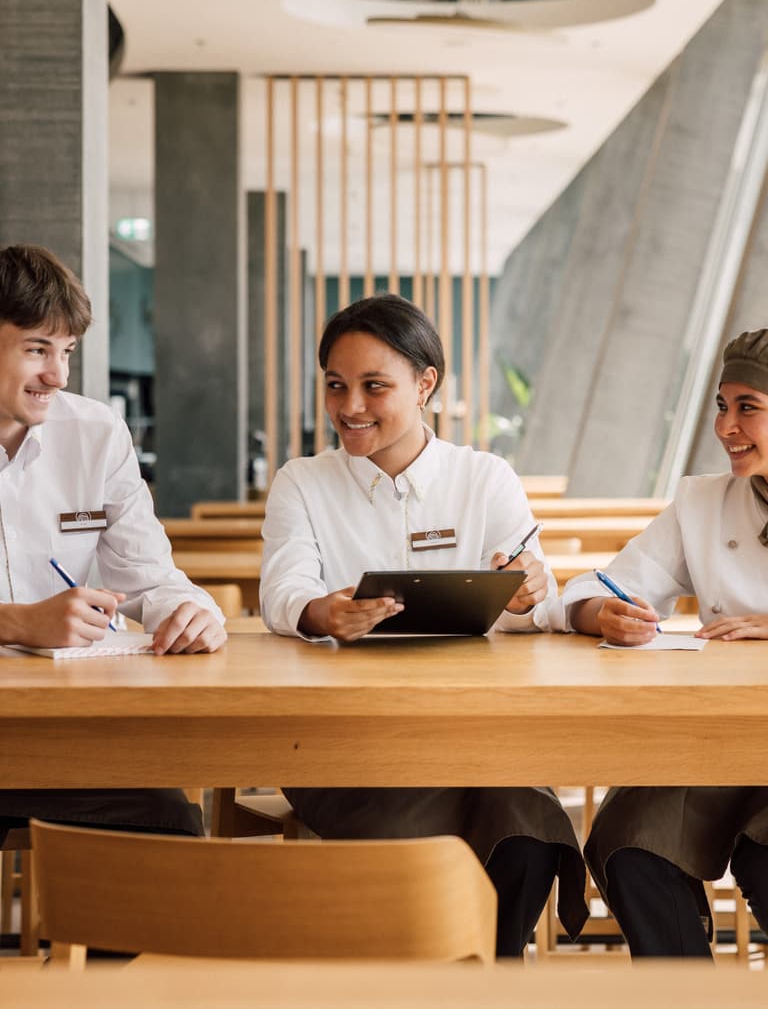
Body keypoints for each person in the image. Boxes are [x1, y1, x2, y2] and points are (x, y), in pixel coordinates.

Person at [260, 293, 588, 956]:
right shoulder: (303, 482)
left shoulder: (485, 478)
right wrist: (327, 612)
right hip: (345, 741)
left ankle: (486, 971)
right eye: (335, 386)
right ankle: (425, 973)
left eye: (373, 386)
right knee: (461, 818)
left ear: (425, 384)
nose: (349, 406)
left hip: (474, 729)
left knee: (526, 828)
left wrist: (525, 593)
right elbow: (283, 588)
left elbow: (533, 592)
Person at [545, 327, 768, 958]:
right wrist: (603, 613)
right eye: (721, 406)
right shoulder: (704, 503)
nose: (726, 426)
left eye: (747, 407)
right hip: (720, 741)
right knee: (629, 845)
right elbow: (595, 584)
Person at [0, 243, 227, 843]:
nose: (59, 375)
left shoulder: (96, 432)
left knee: (170, 823)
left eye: (67, 351)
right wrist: (17, 624)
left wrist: (194, 614)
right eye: (37, 349)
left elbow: (151, 581)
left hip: (66, 732)